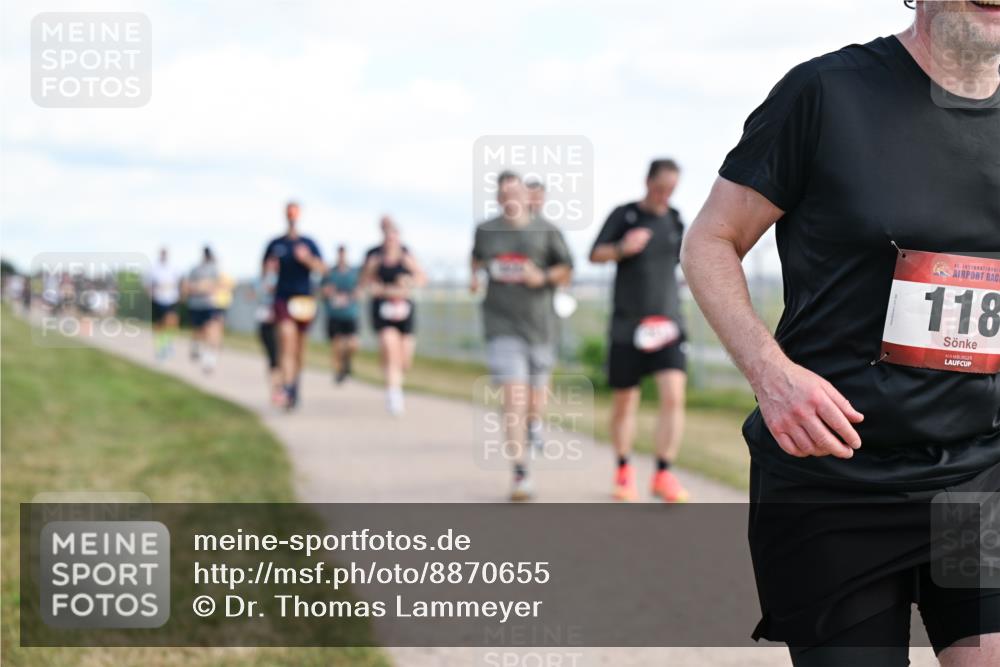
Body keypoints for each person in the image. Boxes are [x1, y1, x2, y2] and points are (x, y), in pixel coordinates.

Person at [681, 2, 1000, 665]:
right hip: (836, 482)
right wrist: (770, 372)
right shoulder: (825, 93)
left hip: (980, 476)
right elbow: (711, 239)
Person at [590, 159, 689, 503]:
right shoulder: (625, 215)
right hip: (627, 326)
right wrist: (621, 248)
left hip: (668, 324)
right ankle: (623, 469)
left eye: (671, 189)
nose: (664, 195)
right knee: (624, 403)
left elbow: (686, 261)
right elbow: (595, 253)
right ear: (647, 182)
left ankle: (663, 473)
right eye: (660, 188)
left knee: (674, 397)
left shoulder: (675, 220)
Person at [471, 171, 574, 501]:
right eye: (503, 194)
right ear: (498, 198)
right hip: (501, 325)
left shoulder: (546, 231)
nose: (509, 199)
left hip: (540, 326)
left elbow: (566, 269)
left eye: (514, 192)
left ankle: (534, 425)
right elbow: (475, 260)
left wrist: (541, 276)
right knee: (512, 397)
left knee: (535, 400)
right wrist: (474, 277)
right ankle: (520, 473)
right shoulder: (486, 231)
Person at [263, 201, 325, 409]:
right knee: (287, 342)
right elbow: (265, 272)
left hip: (304, 301)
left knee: (299, 349)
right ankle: (286, 386)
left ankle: (294, 385)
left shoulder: (308, 243)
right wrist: (269, 271)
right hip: (283, 300)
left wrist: (306, 259)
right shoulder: (275, 244)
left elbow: (322, 269)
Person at [360, 224, 426, 415]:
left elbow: (421, 278)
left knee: (404, 360)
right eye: (387, 238)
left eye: (394, 237)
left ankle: (395, 380)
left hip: (404, 310)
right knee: (390, 348)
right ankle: (394, 395)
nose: (391, 241)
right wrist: (371, 276)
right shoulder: (374, 258)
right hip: (383, 310)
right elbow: (364, 283)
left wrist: (409, 282)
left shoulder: (406, 257)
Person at [321, 245, 361, 384]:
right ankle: (339, 371)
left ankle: (347, 362)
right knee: (337, 344)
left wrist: (356, 293)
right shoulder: (329, 273)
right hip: (334, 315)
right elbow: (322, 291)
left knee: (352, 344)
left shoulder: (354, 273)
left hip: (350, 314)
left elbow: (360, 291)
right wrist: (328, 292)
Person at [184, 246, 225, 374]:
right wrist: (201, 287)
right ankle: (196, 346)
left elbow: (217, 285)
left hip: (209, 305)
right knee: (198, 331)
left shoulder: (214, 269)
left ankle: (209, 360)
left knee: (211, 331)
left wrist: (202, 287)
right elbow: (188, 286)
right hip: (196, 305)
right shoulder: (195, 269)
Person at [253, 257, 282, 402]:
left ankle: (282, 387)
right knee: (273, 359)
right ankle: (275, 389)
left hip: (280, 322)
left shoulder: (283, 279)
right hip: (266, 323)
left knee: (282, 358)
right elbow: (253, 295)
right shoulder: (259, 280)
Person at [147, 248, 182, 360]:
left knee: (172, 321)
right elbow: (148, 284)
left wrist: (181, 294)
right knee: (160, 325)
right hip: (158, 299)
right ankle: (160, 347)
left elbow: (180, 282)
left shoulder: (174, 267)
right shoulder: (154, 269)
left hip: (172, 299)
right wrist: (151, 295)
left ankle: (168, 342)